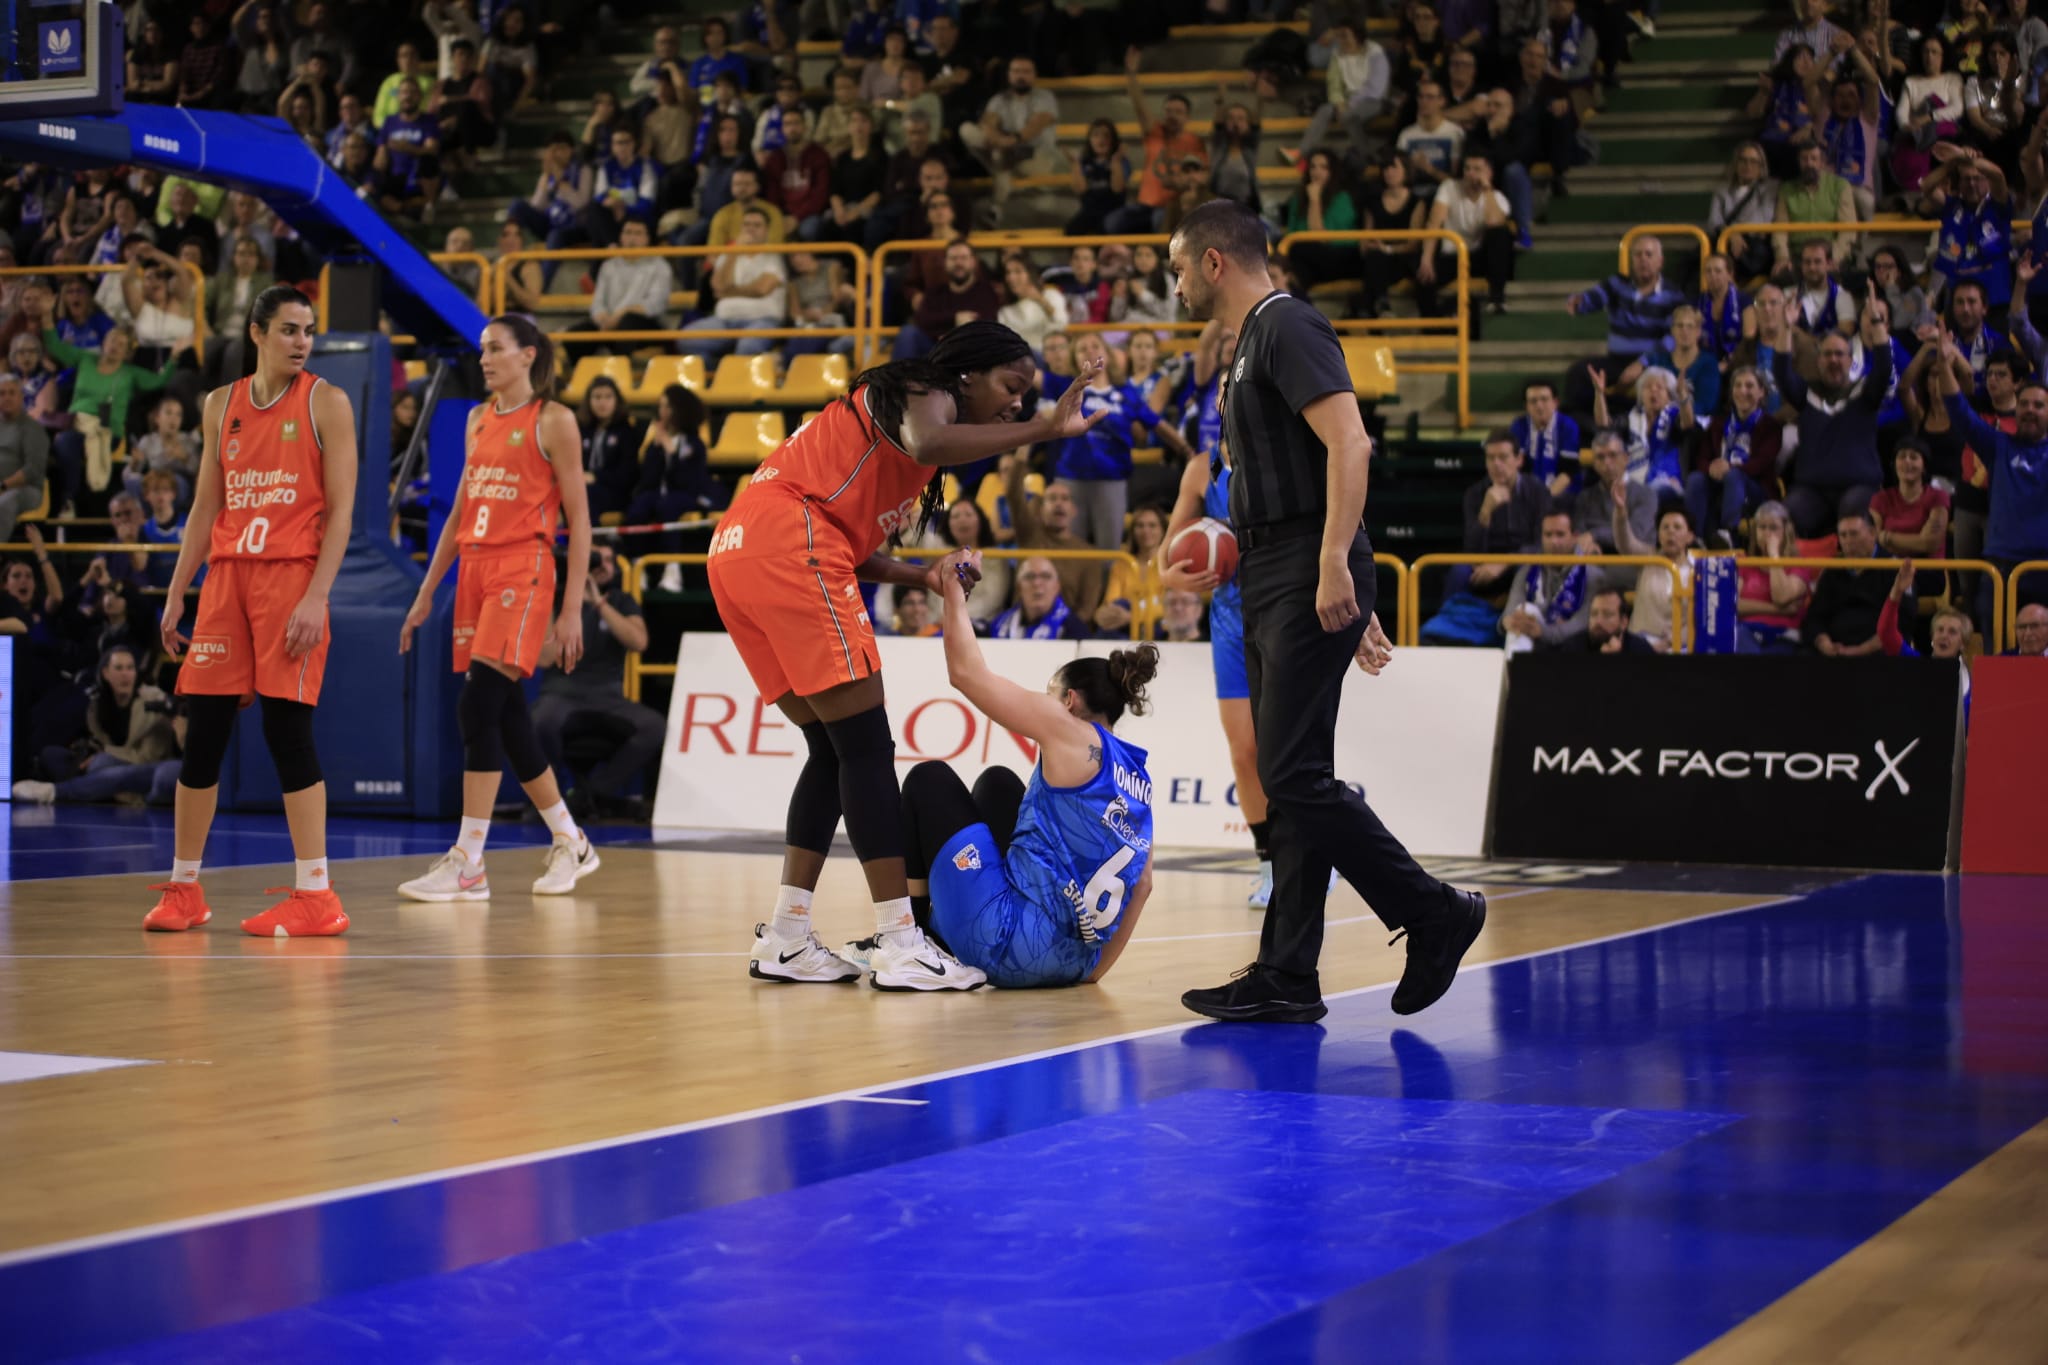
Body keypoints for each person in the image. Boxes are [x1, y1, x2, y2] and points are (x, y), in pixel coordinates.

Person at [707, 321, 1104, 992]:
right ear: (968, 374)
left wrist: (924, 578)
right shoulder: (924, 393)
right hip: (789, 540)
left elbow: (856, 542)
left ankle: (786, 934)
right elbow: (932, 439)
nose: (1014, 402)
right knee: (865, 749)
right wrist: (1042, 429)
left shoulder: (889, 430)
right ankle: (899, 940)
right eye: (1011, 386)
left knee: (832, 752)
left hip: (738, 549)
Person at [1167, 199, 1484, 1024]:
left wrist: (1339, 561)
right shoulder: (1245, 349)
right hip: (1280, 566)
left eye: (1176, 267)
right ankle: (1287, 971)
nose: (1172, 284)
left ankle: (1433, 910)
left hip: (1305, 563)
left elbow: (1351, 443)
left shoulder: (1286, 326)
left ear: (1213, 262)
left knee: (1291, 776)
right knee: (1294, 768)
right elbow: (1312, 464)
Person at [146, 285, 358, 937]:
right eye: (290, 329)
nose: (303, 341)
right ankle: (184, 888)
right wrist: (181, 585)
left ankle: (317, 893)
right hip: (227, 579)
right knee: (203, 731)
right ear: (259, 333)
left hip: (290, 578)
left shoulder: (327, 401)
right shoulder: (220, 404)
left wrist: (318, 595)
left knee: (286, 731)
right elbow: (206, 507)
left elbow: (343, 511)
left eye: (310, 330)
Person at [397, 317, 600, 901]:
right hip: (476, 571)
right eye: (482, 349)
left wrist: (571, 610)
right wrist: (426, 590)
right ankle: (570, 839)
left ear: (527, 355)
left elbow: (580, 520)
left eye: (496, 349)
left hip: (524, 568)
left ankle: (468, 860)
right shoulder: (476, 418)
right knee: (507, 716)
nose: (484, 358)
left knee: (476, 705)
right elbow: (461, 509)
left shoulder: (553, 420)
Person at [887, 583, 1157, 989]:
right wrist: (1094, 970)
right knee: (999, 784)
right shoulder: (1138, 778)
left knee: (929, 779)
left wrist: (953, 594)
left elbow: (966, 673)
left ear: (1068, 700)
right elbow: (1145, 885)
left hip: (1006, 946)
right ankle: (935, 936)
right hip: (1072, 962)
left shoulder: (1066, 727)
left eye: (1049, 694)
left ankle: (912, 940)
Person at [533, 544, 661, 820]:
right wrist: (563, 599)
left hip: (608, 697)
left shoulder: (620, 600)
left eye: (608, 560)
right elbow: (545, 658)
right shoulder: (556, 600)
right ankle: (549, 797)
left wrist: (599, 605)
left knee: (653, 727)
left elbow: (639, 641)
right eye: (594, 560)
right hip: (562, 693)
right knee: (541, 721)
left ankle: (590, 793)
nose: (602, 566)